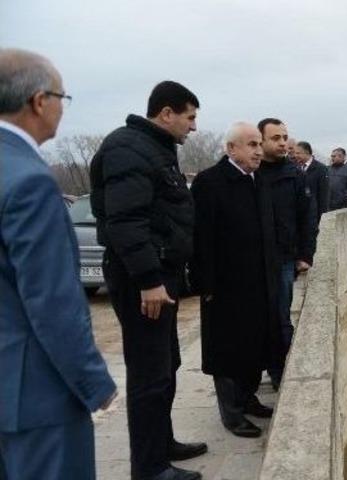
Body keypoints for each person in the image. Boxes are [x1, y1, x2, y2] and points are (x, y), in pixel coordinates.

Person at [0, 48, 116, 480]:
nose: (62, 110)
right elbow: (52, 303)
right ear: (38, 100)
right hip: (36, 397)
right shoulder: (30, 180)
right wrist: (94, 383)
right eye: (62, 98)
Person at [90, 81, 205, 480]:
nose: (193, 127)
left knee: (166, 364)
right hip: (144, 282)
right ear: (167, 113)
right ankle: (150, 468)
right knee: (148, 373)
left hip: (161, 277)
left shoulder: (155, 147)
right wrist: (148, 280)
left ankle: (162, 444)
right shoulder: (128, 148)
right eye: (189, 117)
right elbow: (125, 221)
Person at [190, 122, 280, 438]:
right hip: (225, 286)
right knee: (228, 350)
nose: (258, 150)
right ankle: (231, 413)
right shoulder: (209, 183)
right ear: (231, 149)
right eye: (252, 145)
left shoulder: (259, 180)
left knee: (255, 344)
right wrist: (207, 285)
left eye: (259, 144)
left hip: (258, 281)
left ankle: (247, 397)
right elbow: (201, 238)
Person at [256, 118, 315, 390]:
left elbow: (307, 218)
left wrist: (305, 255)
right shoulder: (252, 173)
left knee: (281, 316)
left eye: (285, 138)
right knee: (258, 317)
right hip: (255, 260)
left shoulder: (294, 175)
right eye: (276, 138)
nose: (283, 143)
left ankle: (281, 371)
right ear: (262, 140)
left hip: (283, 259)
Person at [294, 140, 329, 226]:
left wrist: (321, 217)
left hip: (313, 216)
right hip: (298, 215)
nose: (295, 156)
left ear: (307, 153)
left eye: (298, 153)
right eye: (295, 153)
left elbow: (323, 195)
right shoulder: (295, 167)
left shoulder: (321, 169)